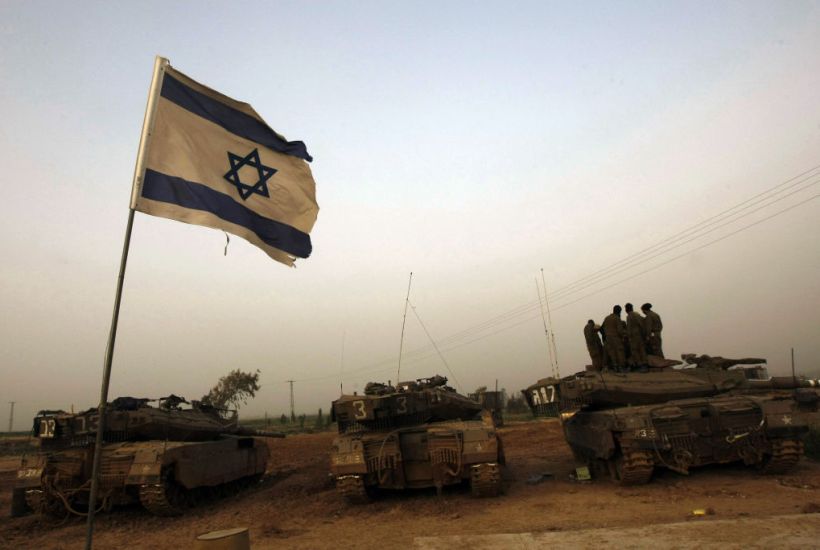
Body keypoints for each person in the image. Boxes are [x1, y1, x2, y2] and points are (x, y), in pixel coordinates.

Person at [601, 305, 626, 370]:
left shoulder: (606, 318)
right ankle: (622, 366)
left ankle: (615, 366)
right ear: (619, 311)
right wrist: (623, 336)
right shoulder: (617, 318)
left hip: (608, 338)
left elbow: (603, 328)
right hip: (616, 337)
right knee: (619, 351)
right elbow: (620, 330)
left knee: (612, 352)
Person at [624, 303, 648, 370]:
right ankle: (644, 364)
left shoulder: (629, 316)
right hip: (639, 335)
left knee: (635, 351)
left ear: (626, 309)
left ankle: (640, 365)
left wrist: (628, 336)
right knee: (642, 350)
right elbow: (642, 325)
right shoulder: (637, 315)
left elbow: (629, 328)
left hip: (633, 336)